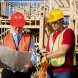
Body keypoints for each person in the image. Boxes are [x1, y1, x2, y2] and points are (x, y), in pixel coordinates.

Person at [1, 12, 36, 78]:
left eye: (19, 25)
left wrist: (32, 62)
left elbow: (34, 54)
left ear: (23, 25)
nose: (17, 28)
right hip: (8, 72)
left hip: (23, 73)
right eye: (15, 25)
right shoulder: (5, 38)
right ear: (11, 24)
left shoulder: (29, 39)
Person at [41, 9, 75, 78]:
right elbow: (48, 52)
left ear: (61, 20)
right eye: (51, 22)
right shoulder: (51, 35)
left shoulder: (68, 32)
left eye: (55, 22)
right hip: (50, 71)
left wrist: (46, 57)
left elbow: (62, 51)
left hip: (64, 72)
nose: (53, 24)